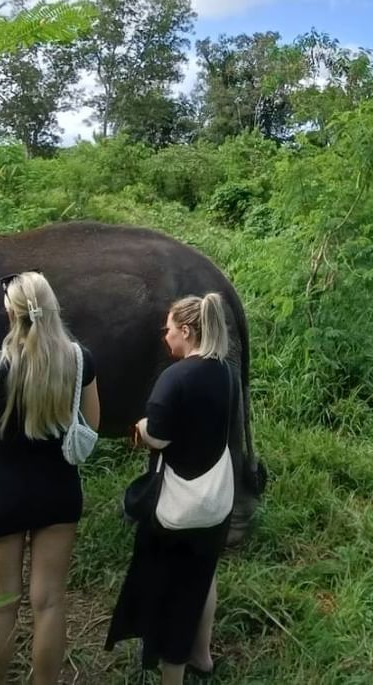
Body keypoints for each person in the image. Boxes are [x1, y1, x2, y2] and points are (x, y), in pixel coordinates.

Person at [0, 271, 100, 685]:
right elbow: (91, 424)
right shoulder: (80, 361)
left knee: (0, 604)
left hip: (1, 491)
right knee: (48, 602)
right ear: (53, 305)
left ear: (10, 312)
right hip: (57, 492)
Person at [107, 293, 238, 684]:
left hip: (178, 506)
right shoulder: (225, 372)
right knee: (203, 576)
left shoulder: (175, 377)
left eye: (168, 330)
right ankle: (203, 655)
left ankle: (172, 675)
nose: (165, 338)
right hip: (217, 500)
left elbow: (158, 438)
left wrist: (141, 429)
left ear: (186, 331)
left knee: (172, 593)